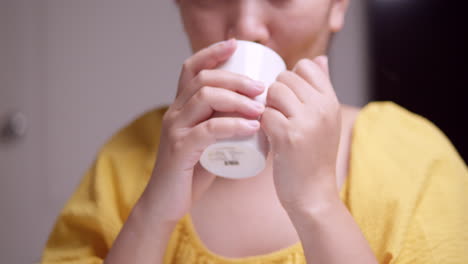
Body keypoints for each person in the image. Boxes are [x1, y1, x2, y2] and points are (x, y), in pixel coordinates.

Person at [40, 0, 468, 263]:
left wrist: (317, 203)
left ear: (337, 4)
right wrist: (154, 214)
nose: (245, 26)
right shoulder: (124, 163)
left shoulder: (416, 159)